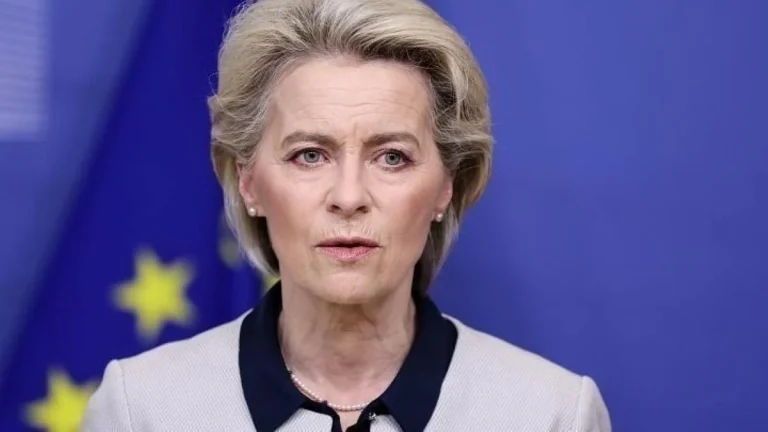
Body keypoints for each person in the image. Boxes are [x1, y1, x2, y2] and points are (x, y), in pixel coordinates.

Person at [82, 0, 611, 430]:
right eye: (309, 155)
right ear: (248, 182)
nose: (349, 196)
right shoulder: (140, 409)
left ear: (445, 185)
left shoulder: (552, 413)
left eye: (392, 157)